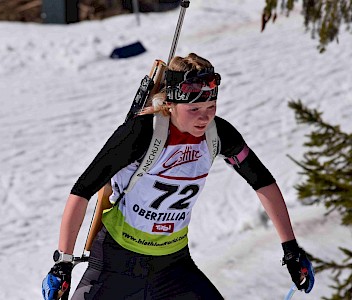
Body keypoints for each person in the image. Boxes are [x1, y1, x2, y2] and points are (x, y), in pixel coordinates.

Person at [42, 53, 315, 300]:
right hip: (118, 263)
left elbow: (262, 181)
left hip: (172, 267)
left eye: (211, 107)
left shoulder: (218, 135)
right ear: (171, 103)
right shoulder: (141, 133)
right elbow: (82, 190)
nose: (204, 118)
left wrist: (290, 248)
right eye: (194, 109)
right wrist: (63, 262)